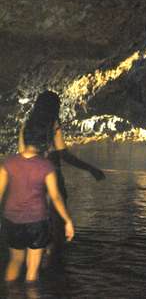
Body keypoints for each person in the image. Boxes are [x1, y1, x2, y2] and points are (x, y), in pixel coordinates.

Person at [18, 90, 104, 259]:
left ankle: (37, 270)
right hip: (52, 178)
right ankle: (55, 269)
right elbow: (64, 154)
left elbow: (22, 154)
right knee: (57, 227)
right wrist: (90, 168)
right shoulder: (53, 124)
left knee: (38, 227)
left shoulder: (26, 125)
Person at [0, 112, 75, 282]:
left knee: (14, 262)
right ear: (43, 142)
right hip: (37, 223)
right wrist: (68, 221)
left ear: (24, 139)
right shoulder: (46, 166)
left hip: (12, 221)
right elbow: (55, 197)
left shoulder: (8, 163)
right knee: (32, 273)